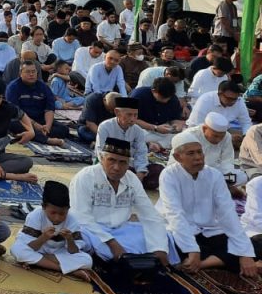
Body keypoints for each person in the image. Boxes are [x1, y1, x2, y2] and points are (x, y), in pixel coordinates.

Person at [157, 130, 258, 277]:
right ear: (177, 157)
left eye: (200, 152)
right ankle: (210, 260)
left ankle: (202, 264)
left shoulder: (214, 175)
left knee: (254, 246)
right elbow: (175, 215)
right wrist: (191, 249)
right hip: (179, 231)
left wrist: (245, 253)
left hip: (210, 230)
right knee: (165, 250)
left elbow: (228, 213)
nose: (198, 157)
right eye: (191, 153)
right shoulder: (169, 175)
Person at [70, 137, 174, 264]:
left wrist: (159, 248)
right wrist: (112, 243)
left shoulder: (132, 179)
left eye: (122, 162)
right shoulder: (85, 177)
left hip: (123, 230)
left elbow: (150, 215)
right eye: (111, 160)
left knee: (165, 237)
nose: (116, 167)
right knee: (84, 242)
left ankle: (134, 260)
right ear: (102, 158)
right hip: (92, 230)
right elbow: (81, 217)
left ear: (129, 164)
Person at [10, 180, 93, 280]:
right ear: (44, 207)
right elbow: (30, 247)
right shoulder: (35, 216)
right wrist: (43, 238)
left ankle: (38, 262)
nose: (57, 218)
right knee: (17, 250)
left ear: (68, 209)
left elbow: (73, 252)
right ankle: (67, 270)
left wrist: (69, 239)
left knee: (87, 260)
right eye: (53, 213)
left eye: (62, 214)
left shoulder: (72, 220)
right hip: (39, 248)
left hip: (59, 252)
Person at [95, 96, 161, 190]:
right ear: (117, 112)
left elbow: (141, 153)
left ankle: (129, 182)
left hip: (129, 165)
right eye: (129, 115)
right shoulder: (105, 127)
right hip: (110, 165)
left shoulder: (138, 130)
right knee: (117, 173)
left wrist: (140, 172)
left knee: (158, 171)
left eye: (135, 115)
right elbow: (101, 152)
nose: (133, 119)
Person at [4, 61, 69, 145]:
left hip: (40, 120)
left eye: (33, 71)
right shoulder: (12, 87)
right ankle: (47, 140)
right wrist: (35, 125)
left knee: (64, 129)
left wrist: (47, 127)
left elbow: (49, 109)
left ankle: (39, 134)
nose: (31, 74)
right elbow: (15, 111)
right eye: (28, 72)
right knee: (12, 124)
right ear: (20, 73)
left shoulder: (43, 87)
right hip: (23, 120)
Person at [188, 80, 252, 140]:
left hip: (225, 130)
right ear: (219, 94)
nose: (232, 102)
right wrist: (226, 137)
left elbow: (246, 122)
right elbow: (196, 125)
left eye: (235, 99)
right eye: (229, 98)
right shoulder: (205, 100)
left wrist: (246, 136)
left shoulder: (239, 101)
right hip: (204, 131)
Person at [131, 77, 184, 149]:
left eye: (168, 98)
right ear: (153, 91)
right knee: (134, 135)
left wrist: (176, 126)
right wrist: (155, 128)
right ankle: (156, 144)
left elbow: (175, 118)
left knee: (182, 136)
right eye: (162, 97)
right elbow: (131, 120)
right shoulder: (139, 95)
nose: (165, 101)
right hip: (142, 129)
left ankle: (156, 144)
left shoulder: (173, 99)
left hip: (162, 131)